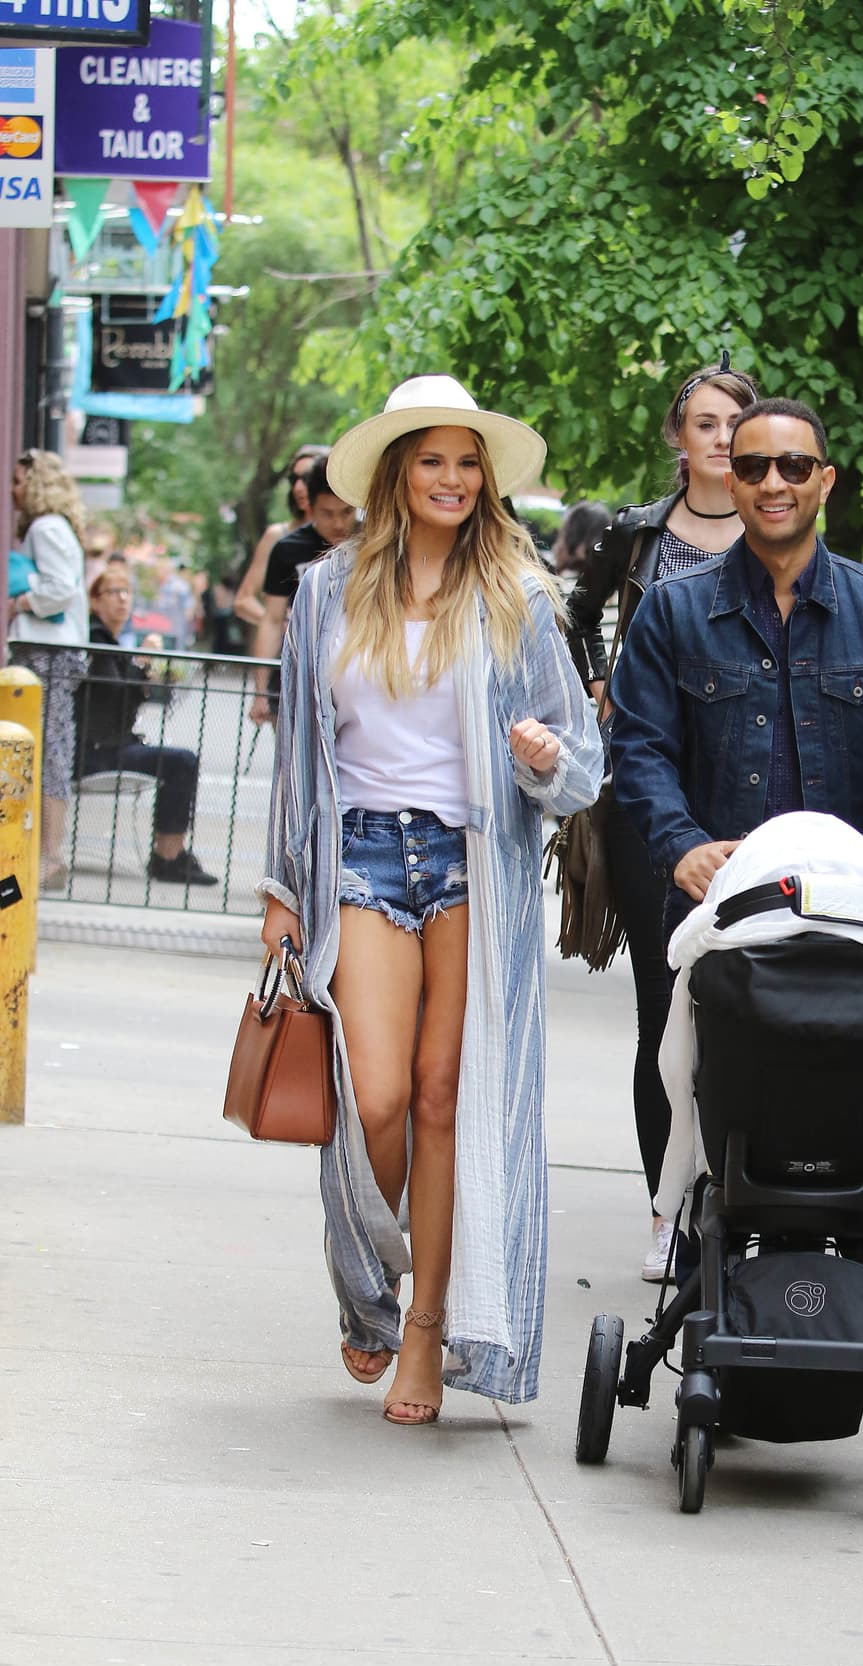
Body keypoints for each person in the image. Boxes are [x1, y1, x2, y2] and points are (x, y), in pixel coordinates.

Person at [258, 375, 603, 1424]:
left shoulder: (519, 596)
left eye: (466, 462)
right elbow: (297, 762)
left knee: (447, 1095)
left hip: (471, 866)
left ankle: (425, 1331)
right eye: (431, 460)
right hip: (359, 856)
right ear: (397, 473)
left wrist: (542, 754)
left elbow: (579, 764)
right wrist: (281, 892)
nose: (450, 478)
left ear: (482, 479)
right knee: (375, 1101)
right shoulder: (325, 591)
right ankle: (375, 1273)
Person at [564, 357, 759, 1282]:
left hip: (752, 800)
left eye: (736, 425)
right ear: (678, 438)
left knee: (745, 1010)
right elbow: (574, 613)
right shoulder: (637, 534)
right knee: (661, 1009)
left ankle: (738, 1200)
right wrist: (597, 684)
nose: (722, 440)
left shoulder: (776, 531)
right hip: (649, 793)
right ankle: (665, 1210)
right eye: (707, 424)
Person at [610, 393, 863, 918]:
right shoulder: (671, 609)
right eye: (752, 468)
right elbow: (641, 749)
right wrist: (681, 845)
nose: (773, 484)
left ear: (825, 481)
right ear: (732, 484)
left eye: (794, 466)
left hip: (851, 903)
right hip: (716, 904)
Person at [76, 561, 218, 887]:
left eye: (126, 592)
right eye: (113, 592)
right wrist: (140, 664)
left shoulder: (109, 642)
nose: (122, 599)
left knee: (180, 761)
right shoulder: (95, 639)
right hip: (96, 753)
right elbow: (112, 693)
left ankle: (170, 853)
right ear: (95, 601)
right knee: (181, 761)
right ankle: (168, 857)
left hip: (111, 746)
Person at [7, 449, 90, 891]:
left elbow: (60, 587)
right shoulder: (50, 528)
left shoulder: (45, 527)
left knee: (49, 749)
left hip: (48, 653)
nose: (13, 490)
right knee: (41, 748)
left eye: (19, 481)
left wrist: (20, 600)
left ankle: (50, 855)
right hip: (47, 651)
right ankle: (44, 851)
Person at [248, 456, 356, 728]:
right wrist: (260, 692)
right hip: (301, 672)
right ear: (310, 506)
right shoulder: (287, 549)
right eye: (327, 514)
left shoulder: (370, 543)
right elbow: (271, 620)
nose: (339, 524)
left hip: (355, 670)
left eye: (346, 512)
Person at [232, 444, 328, 637]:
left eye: (306, 478)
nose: (299, 487)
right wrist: (281, 625)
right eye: (294, 479)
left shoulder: (350, 533)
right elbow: (243, 601)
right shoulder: (279, 536)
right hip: (288, 653)